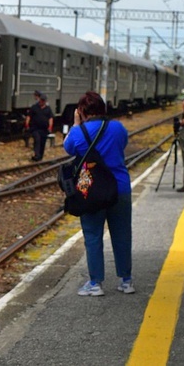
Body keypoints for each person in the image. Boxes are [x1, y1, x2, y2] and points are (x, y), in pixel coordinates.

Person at [64, 91, 132, 297]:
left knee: (93, 236)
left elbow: (68, 148)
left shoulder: (78, 132)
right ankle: (126, 281)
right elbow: (122, 146)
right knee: (122, 235)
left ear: (82, 111)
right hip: (119, 187)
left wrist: (76, 123)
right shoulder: (118, 128)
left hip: (91, 190)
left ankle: (95, 284)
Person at [24, 92, 54, 161]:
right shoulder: (34, 107)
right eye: (41, 100)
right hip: (35, 128)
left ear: (45, 101)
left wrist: (50, 127)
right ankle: (36, 154)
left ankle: (40, 156)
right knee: (37, 140)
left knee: (42, 142)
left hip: (44, 129)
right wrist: (27, 124)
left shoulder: (48, 109)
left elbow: (50, 118)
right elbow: (29, 116)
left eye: (43, 100)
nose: (41, 101)